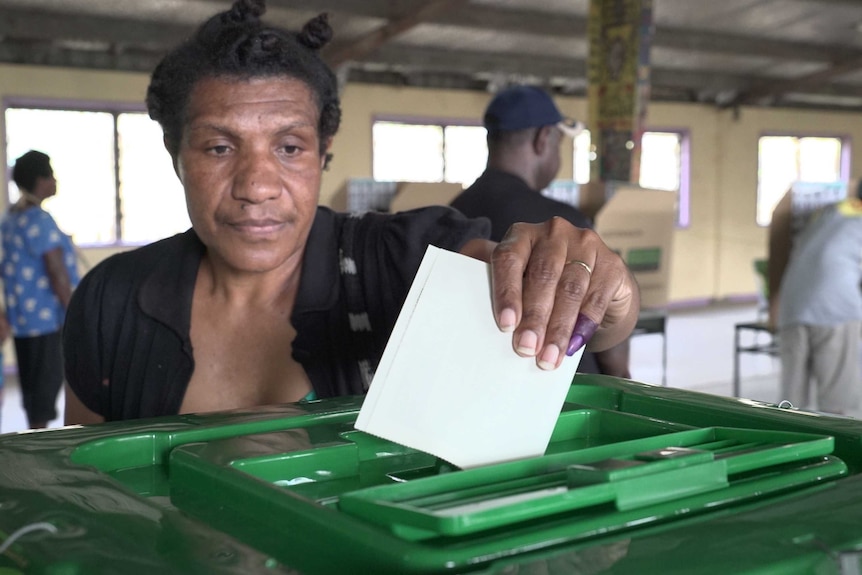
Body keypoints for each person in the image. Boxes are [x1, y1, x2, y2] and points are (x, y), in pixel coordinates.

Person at [62, 0, 640, 425]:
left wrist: (605, 290)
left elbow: (588, 312)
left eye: (289, 148)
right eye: (219, 147)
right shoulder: (113, 302)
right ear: (175, 154)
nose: (258, 186)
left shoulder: (401, 260)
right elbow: (90, 494)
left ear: (323, 152)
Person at [450, 85, 631, 378]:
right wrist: (621, 378)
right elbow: (604, 321)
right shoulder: (565, 225)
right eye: (559, 141)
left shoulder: (451, 215)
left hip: (475, 380)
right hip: (561, 388)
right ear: (543, 138)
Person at [2, 150, 79, 429]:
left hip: (22, 321)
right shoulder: (39, 221)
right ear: (40, 179)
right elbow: (57, 274)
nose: (55, 180)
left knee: (33, 392)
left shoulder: (10, 218)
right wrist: (74, 315)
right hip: (46, 321)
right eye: (51, 174)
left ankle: (32, 439)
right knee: (44, 394)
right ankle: (36, 450)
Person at [773, 191, 862, 416]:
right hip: (836, 309)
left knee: (791, 402)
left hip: (792, 306)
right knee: (837, 401)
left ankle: (788, 444)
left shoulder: (829, 212)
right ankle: (839, 447)